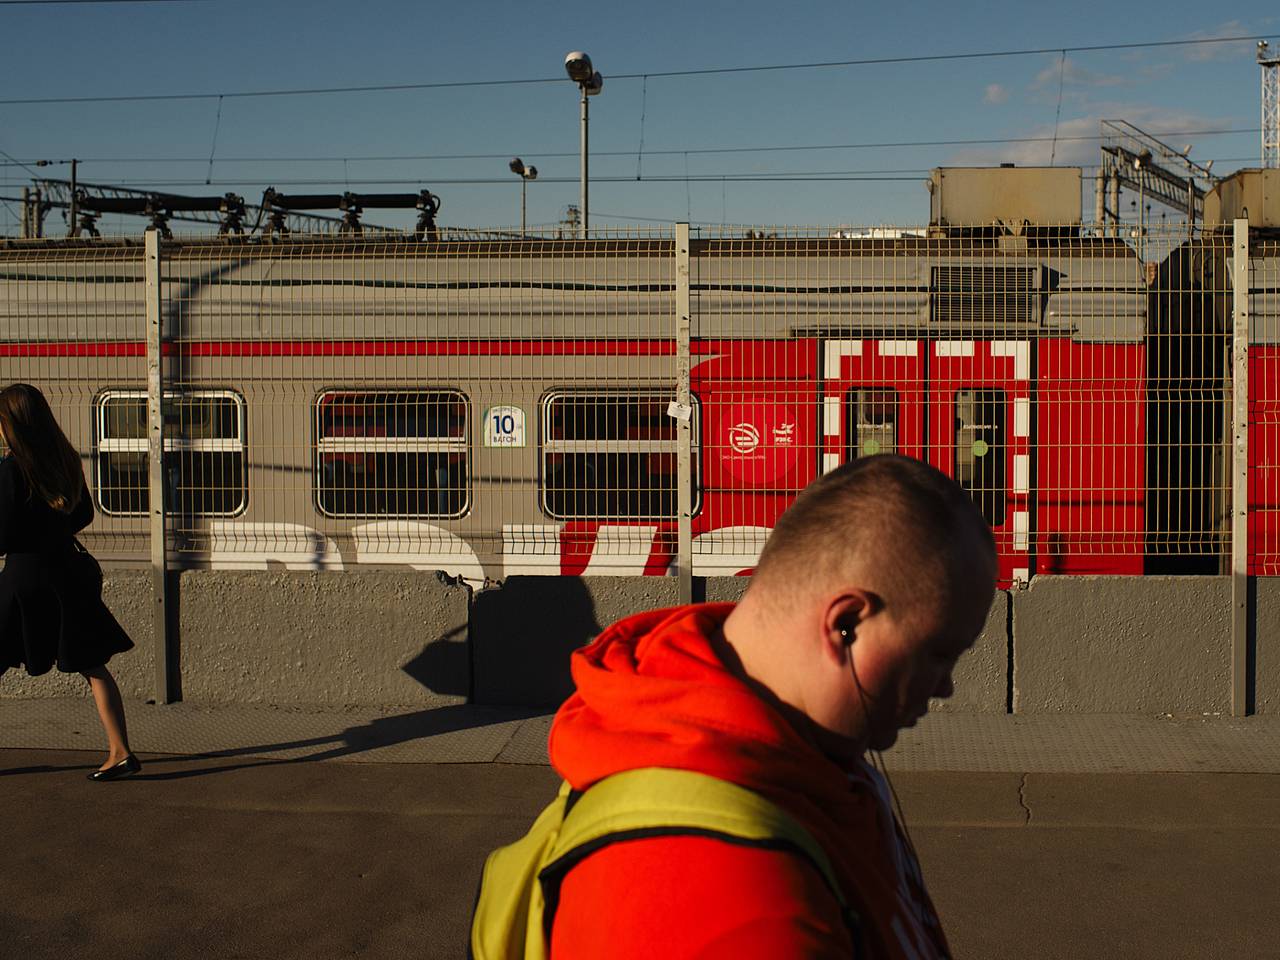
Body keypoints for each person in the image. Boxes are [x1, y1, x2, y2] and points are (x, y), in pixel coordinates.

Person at [541, 454, 998, 959]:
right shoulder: (720, 896)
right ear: (845, 624)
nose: (946, 687)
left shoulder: (815, 752)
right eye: (939, 653)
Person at [0, 383, 139, 781]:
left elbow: (3, 534)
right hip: (65, 576)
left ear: (13, 425)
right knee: (92, 666)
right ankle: (120, 751)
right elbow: (84, 516)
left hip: (22, 580)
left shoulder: (11, 471)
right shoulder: (64, 460)